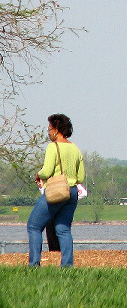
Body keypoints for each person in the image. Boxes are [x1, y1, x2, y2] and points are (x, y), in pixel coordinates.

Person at [27, 114, 85, 267]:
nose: (48, 132)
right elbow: (81, 176)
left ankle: (34, 265)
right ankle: (67, 266)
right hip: (72, 192)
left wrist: (38, 175)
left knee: (34, 226)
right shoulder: (75, 148)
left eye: (49, 129)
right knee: (63, 229)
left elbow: (47, 171)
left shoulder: (53, 147)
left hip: (57, 192)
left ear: (57, 129)